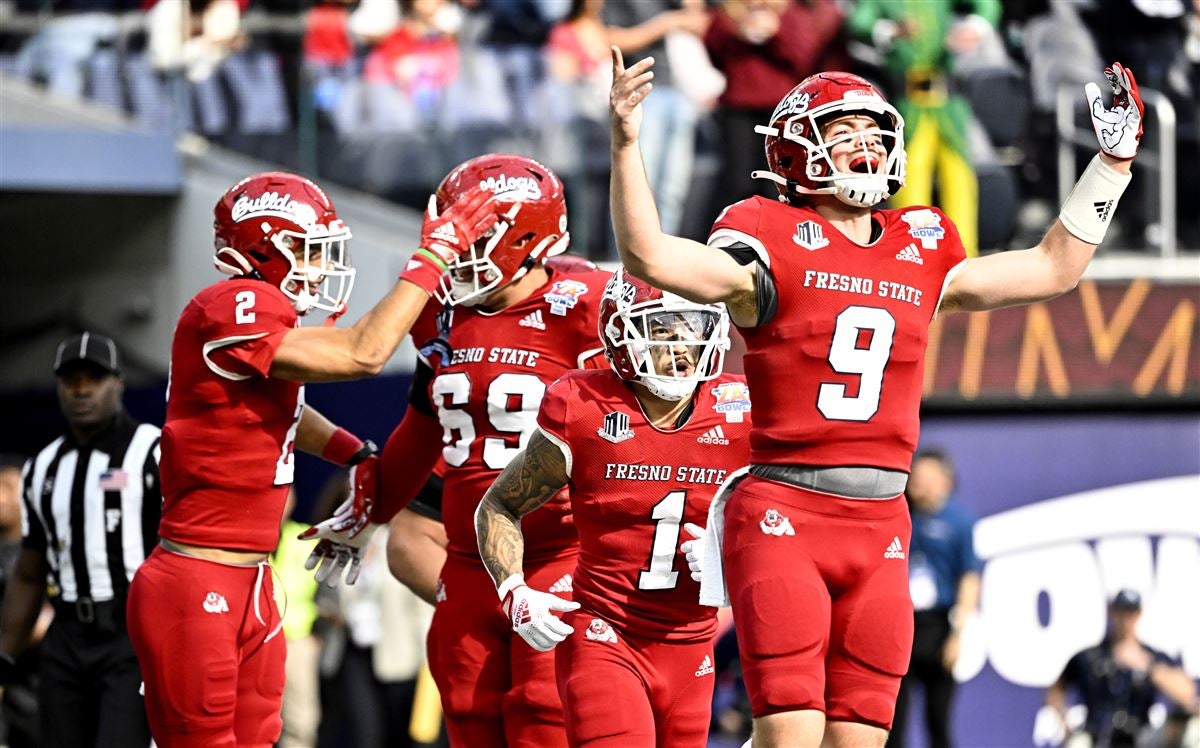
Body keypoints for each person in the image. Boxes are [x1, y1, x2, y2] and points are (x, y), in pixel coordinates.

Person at [608, 45, 1145, 747]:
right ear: (798, 153)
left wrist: (1112, 165)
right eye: (841, 132)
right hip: (786, 509)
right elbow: (649, 254)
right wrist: (624, 144)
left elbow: (1054, 268)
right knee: (791, 735)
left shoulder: (920, 242)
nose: (863, 144)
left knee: (860, 739)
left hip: (882, 521)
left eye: (871, 130)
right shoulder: (765, 233)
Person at [125, 170, 506, 747]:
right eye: (305, 249)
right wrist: (431, 259)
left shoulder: (263, 323)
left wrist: (355, 453)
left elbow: (283, 415)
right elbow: (364, 353)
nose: (320, 265)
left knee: (263, 737)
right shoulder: (231, 303)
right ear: (261, 246)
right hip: (198, 573)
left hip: (252, 576)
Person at [377, 153, 612, 747]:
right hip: (467, 563)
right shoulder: (435, 312)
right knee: (468, 712)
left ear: (525, 235)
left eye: (470, 234)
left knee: (545, 717)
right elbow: (422, 420)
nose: (451, 248)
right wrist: (370, 497)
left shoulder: (592, 305)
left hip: (562, 554)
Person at [475, 267, 748, 747]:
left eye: (694, 329)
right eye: (663, 331)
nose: (682, 348)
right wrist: (514, 590)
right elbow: (499, 506)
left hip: (693, 643)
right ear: (622, 334)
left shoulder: (740, 408)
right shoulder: (582, 403)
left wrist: (731, 553)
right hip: (606, 633)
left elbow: (787, 522)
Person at [0, 332, 160, 747]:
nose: (82, 389)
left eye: (95, 377)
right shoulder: (43, 467)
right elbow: (29, 572)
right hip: (66, 637)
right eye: (71, 379)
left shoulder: (153, 451)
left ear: (118, 383)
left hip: (131, 635)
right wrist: (4, 656)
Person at [847, 0, 1003, 257]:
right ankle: (912, 255)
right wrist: (892, 30)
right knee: (909, 179)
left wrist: (975, 28)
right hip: (910, 105)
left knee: (959, 177)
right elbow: (859, 23)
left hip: (948, 105)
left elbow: (987, 5)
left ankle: (964, 256)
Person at [888, 450, 980, 748]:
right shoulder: (897, 513)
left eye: (926, 477)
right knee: (891, 719)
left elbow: (969, 577)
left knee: (937, 719)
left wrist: (957, 633)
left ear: (945, 481)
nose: (918, 483)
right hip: (899, 622)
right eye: (916, 476)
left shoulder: (959, 522)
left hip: (937, 625)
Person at [1045, 589, 1197, 747]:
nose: (1126, 620)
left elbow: (1187, 693)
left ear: (1139, 614)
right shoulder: (1091, 656)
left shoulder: (1151, 657)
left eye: (1131, 613)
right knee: (1077, 744)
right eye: (1122, 612)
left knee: (1194, 730)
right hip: (1097, 735)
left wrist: (1147, 666)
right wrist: (1065, 721)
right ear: (1112, 612)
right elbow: (1056, 688)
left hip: (1142, 737)